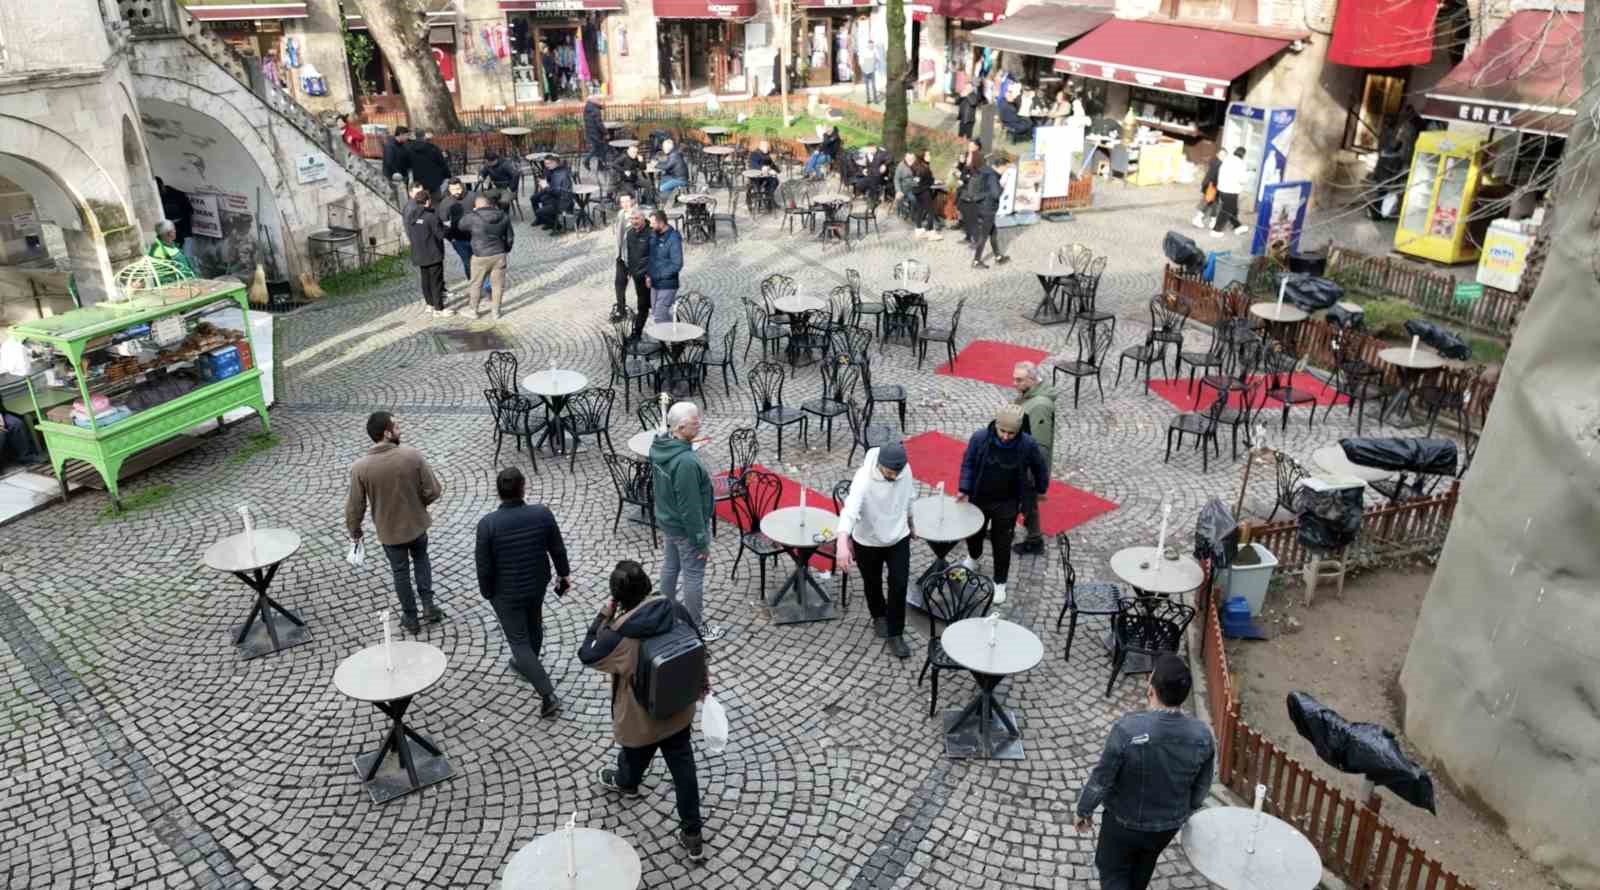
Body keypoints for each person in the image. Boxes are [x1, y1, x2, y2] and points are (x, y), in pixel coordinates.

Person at [582, 559, 710, 862]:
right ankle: (693, 834)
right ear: (647, 586)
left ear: (618, 597)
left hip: (641, 720)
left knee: (634, 755)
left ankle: (626, 783)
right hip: (678, 708)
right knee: (684, 769)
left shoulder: (617, 636)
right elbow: (699, 646)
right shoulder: (674, 609)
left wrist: (603, 615)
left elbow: (587, 653)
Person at [1075, 654, 1215, 890]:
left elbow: (1102, 779)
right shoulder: (1202, 735)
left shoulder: (1127, 729)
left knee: (1112, 871)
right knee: (1143, 867)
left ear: (1151, 690)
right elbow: (1202, 786)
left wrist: (1084, 810)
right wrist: (1186, 809)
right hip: (1166, 827)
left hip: (1123, 823)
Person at [476, 466, 568, 718]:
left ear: (498, 492)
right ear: (523, 488)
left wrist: (487, 593)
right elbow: (557, 548)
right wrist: (563, 573)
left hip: (505, 592)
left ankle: (547, 694)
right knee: (534, 623)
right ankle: (528, 663)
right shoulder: (542, 514)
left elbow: (484, 566)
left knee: (518, 640)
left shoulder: (488, 525)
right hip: (536, 584)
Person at [345, 411, 445, 635]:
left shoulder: (360, 468)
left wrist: (355, 530)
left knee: (400, 572)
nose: (400, 430)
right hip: (417, 525)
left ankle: (410, 617)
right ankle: (428, 605)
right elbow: (433, 490)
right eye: (396, 426)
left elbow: (355, 506)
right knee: (421, 560)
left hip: (389, 532)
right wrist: (419, 504)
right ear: (387, 433)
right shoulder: (412, 456)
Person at [649, 402, 725, 642]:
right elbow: (690, 508)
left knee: (671, 566)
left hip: (668, 521)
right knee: (693, 576)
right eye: (695, 421)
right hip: (684, 528)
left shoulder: (660, 445)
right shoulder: (686, 463)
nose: (699, 423)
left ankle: (666, 613)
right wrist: (700, 541)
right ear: (681, 427)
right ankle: (696, 628)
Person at [957, 404, 1047, 604]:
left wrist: (1041, 488)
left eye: (1011, 433)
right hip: (980, 497)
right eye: (1002, 431)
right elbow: (968, 463)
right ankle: (974, 557)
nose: (1006, 436)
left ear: (1019, 430)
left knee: (1002, 543)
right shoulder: (979, 438)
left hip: (1007, 502)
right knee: (974, 534)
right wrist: (964, 488)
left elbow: (1039, 467)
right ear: (996, 426)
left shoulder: (1028, 444)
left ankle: (1000, 581)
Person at [834, 443, 916, 659]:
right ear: (880, 465)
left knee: (899, 584)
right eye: (890, 473)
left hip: (898, 536)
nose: (894, 476)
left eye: (897, 472)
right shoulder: (863, 478)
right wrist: (842, 542)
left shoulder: (905, 470)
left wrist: (911, 522)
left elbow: (909, 497)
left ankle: (896, 633)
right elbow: (850, 511)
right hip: (868, 540)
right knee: (872, 581)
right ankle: (878, 614)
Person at [1009, 362, 1055, 555]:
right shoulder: (1029, 396)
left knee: (1027, 501)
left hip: (1027, 465)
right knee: (1017, 497)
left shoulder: (1040, 406)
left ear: (1033, 380)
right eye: (1014, 379)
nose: (1014, 383)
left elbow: (1040, 445)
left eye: (1019, 380)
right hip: (1020, 460)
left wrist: (1033, 474)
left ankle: (1034, 540)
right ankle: (1009, 529)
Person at [458, 194, 514, 320]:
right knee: (498, 285)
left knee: (476, 284)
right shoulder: (503, 215)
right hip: (499, 254)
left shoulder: (473, 217)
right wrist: (505, 250)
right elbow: (510, 237)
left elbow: (460, 226)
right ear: (490, 204)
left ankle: (473, 310)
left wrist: (471, 213)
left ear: (476, 205)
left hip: (480, 255)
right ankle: (496, 312)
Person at [405, 189, 450, 317]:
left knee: (425, 280)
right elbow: (440, 235)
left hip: (419, 254)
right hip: (433, 254)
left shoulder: (411, 217)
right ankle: (439, 309)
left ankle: (429, 305)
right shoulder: (430, 216)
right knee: (436, 281)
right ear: (428, 201)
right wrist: (447, 227)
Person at [970, 153, 1011, 269]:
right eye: (1006, 168)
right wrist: (1002, 186)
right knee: (984, 236)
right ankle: (976, 261)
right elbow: (996, 194)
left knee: (993, 233)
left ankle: (998, 257)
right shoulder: (993, 176)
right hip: (988, 209)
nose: (1006, 171)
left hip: (982, 206)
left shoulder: (986, 171)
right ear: (1001, 166)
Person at [612, 196, 648, 322]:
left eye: (627, 201)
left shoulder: (638, 215)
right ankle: (621, 310)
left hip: (635, 259)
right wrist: (618, 254)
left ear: (632, 201)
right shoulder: (621, 214)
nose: (625, 204)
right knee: (619, 284)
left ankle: (642, 312)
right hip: (622, 256)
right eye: (622, 202)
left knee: (640, 287)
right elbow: (619, 235)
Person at [646, 210, 683, 323]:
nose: (650, 225)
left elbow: (677, 264)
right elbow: (651, 257)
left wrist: (658, 275)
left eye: (653, 223)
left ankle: (675, 332)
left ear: (661, 223)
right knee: (655, 313)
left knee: (659, 315)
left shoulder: (673, 238)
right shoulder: (654, 234)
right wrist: (648, 275)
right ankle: (675, 328)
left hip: (667, 284)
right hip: (654, 283)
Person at [1213, 146, 1249, 238]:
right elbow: (1242, 180)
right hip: (1231, 191)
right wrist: (1247, 175)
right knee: (1226, 211)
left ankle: (1238, 227)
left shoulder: (1227, 160)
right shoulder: (1241, 164)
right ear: (1243, 155)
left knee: (1233, 209)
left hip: (1222, 189)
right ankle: (1216, 230)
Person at [534, 156, 575, 233]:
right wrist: (545, 184)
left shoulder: (561, 174)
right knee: (542, 199)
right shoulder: (555, 170)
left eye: (548, 163)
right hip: (558, 198)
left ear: (555, 163)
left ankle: (557, 226)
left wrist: (546, 187)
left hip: (563, 202)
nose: (546, 166)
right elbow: (554, 188)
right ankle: (551, 223)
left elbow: (558, 192)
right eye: (545, 164)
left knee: (539, 212)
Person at [912, 151, 942, 241]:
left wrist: (931, 181)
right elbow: (926, 180)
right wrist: (933, 182)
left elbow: (917, 180)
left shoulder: (917, 165)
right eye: (928, 155)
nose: (930, 156)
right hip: (924, 191)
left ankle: (919, 231)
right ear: (923, 156)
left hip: (917, 191)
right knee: (931, 212)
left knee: (920, 210)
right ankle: (930, 232)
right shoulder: (924, 168)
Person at [155, 177, 193, 248]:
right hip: (168, 232)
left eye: (159, 191)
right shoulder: (157, 197)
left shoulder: (177, 195)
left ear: (162, 186)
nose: (158, 193)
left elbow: (189, 211)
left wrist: (187, 233)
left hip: (182, 231)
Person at [1193, 153, 1222, 229]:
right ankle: (1200, 219)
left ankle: (1211, 221)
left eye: (1224, 155)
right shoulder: (1218, 164)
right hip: (1212, 187)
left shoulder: (1215, 162)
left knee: (1212, 203)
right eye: (1222, 155)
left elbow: (1209, 175)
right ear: (1218, 155)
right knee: (1209, 202)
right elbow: (1212, 176)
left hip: (1210, 186)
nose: (1223, 157)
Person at [584, 97, 608, 170]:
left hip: (590, 131)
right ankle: (588, 161)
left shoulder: (588, 107)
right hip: (596, 133)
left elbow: (597, 109)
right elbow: (599, 124)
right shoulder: (595, 110)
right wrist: (606, 133)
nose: (600, 101)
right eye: (598, 100)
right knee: (602, 148)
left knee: (596, 148)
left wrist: (601, 106)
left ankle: (599, 166)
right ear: (593, 101)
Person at [893, 152, 918, 220]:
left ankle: (912, 215)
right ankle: (903, 212)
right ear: (905, 158)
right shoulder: (901, 166)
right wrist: (898, 190)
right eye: (908, 158)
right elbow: (896, 179)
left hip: (913, 188)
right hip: (903, 188)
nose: (910, 160)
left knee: (914, 199)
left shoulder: (917, 165)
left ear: (914, 159)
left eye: (912, 158)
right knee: (899, 198)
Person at [859, 38, 882, 104]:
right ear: (868, 45)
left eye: (872, 45)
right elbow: (861, 61)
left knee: (873, 85)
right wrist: (862, 68)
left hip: (872, 71)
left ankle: (875, 99)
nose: (871, 46)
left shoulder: (874, 51)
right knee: (867, 86)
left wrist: (875, 67)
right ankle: (868, 99)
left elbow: (878, 60)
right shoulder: (864, 51)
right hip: (865, 71)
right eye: (870, 45)